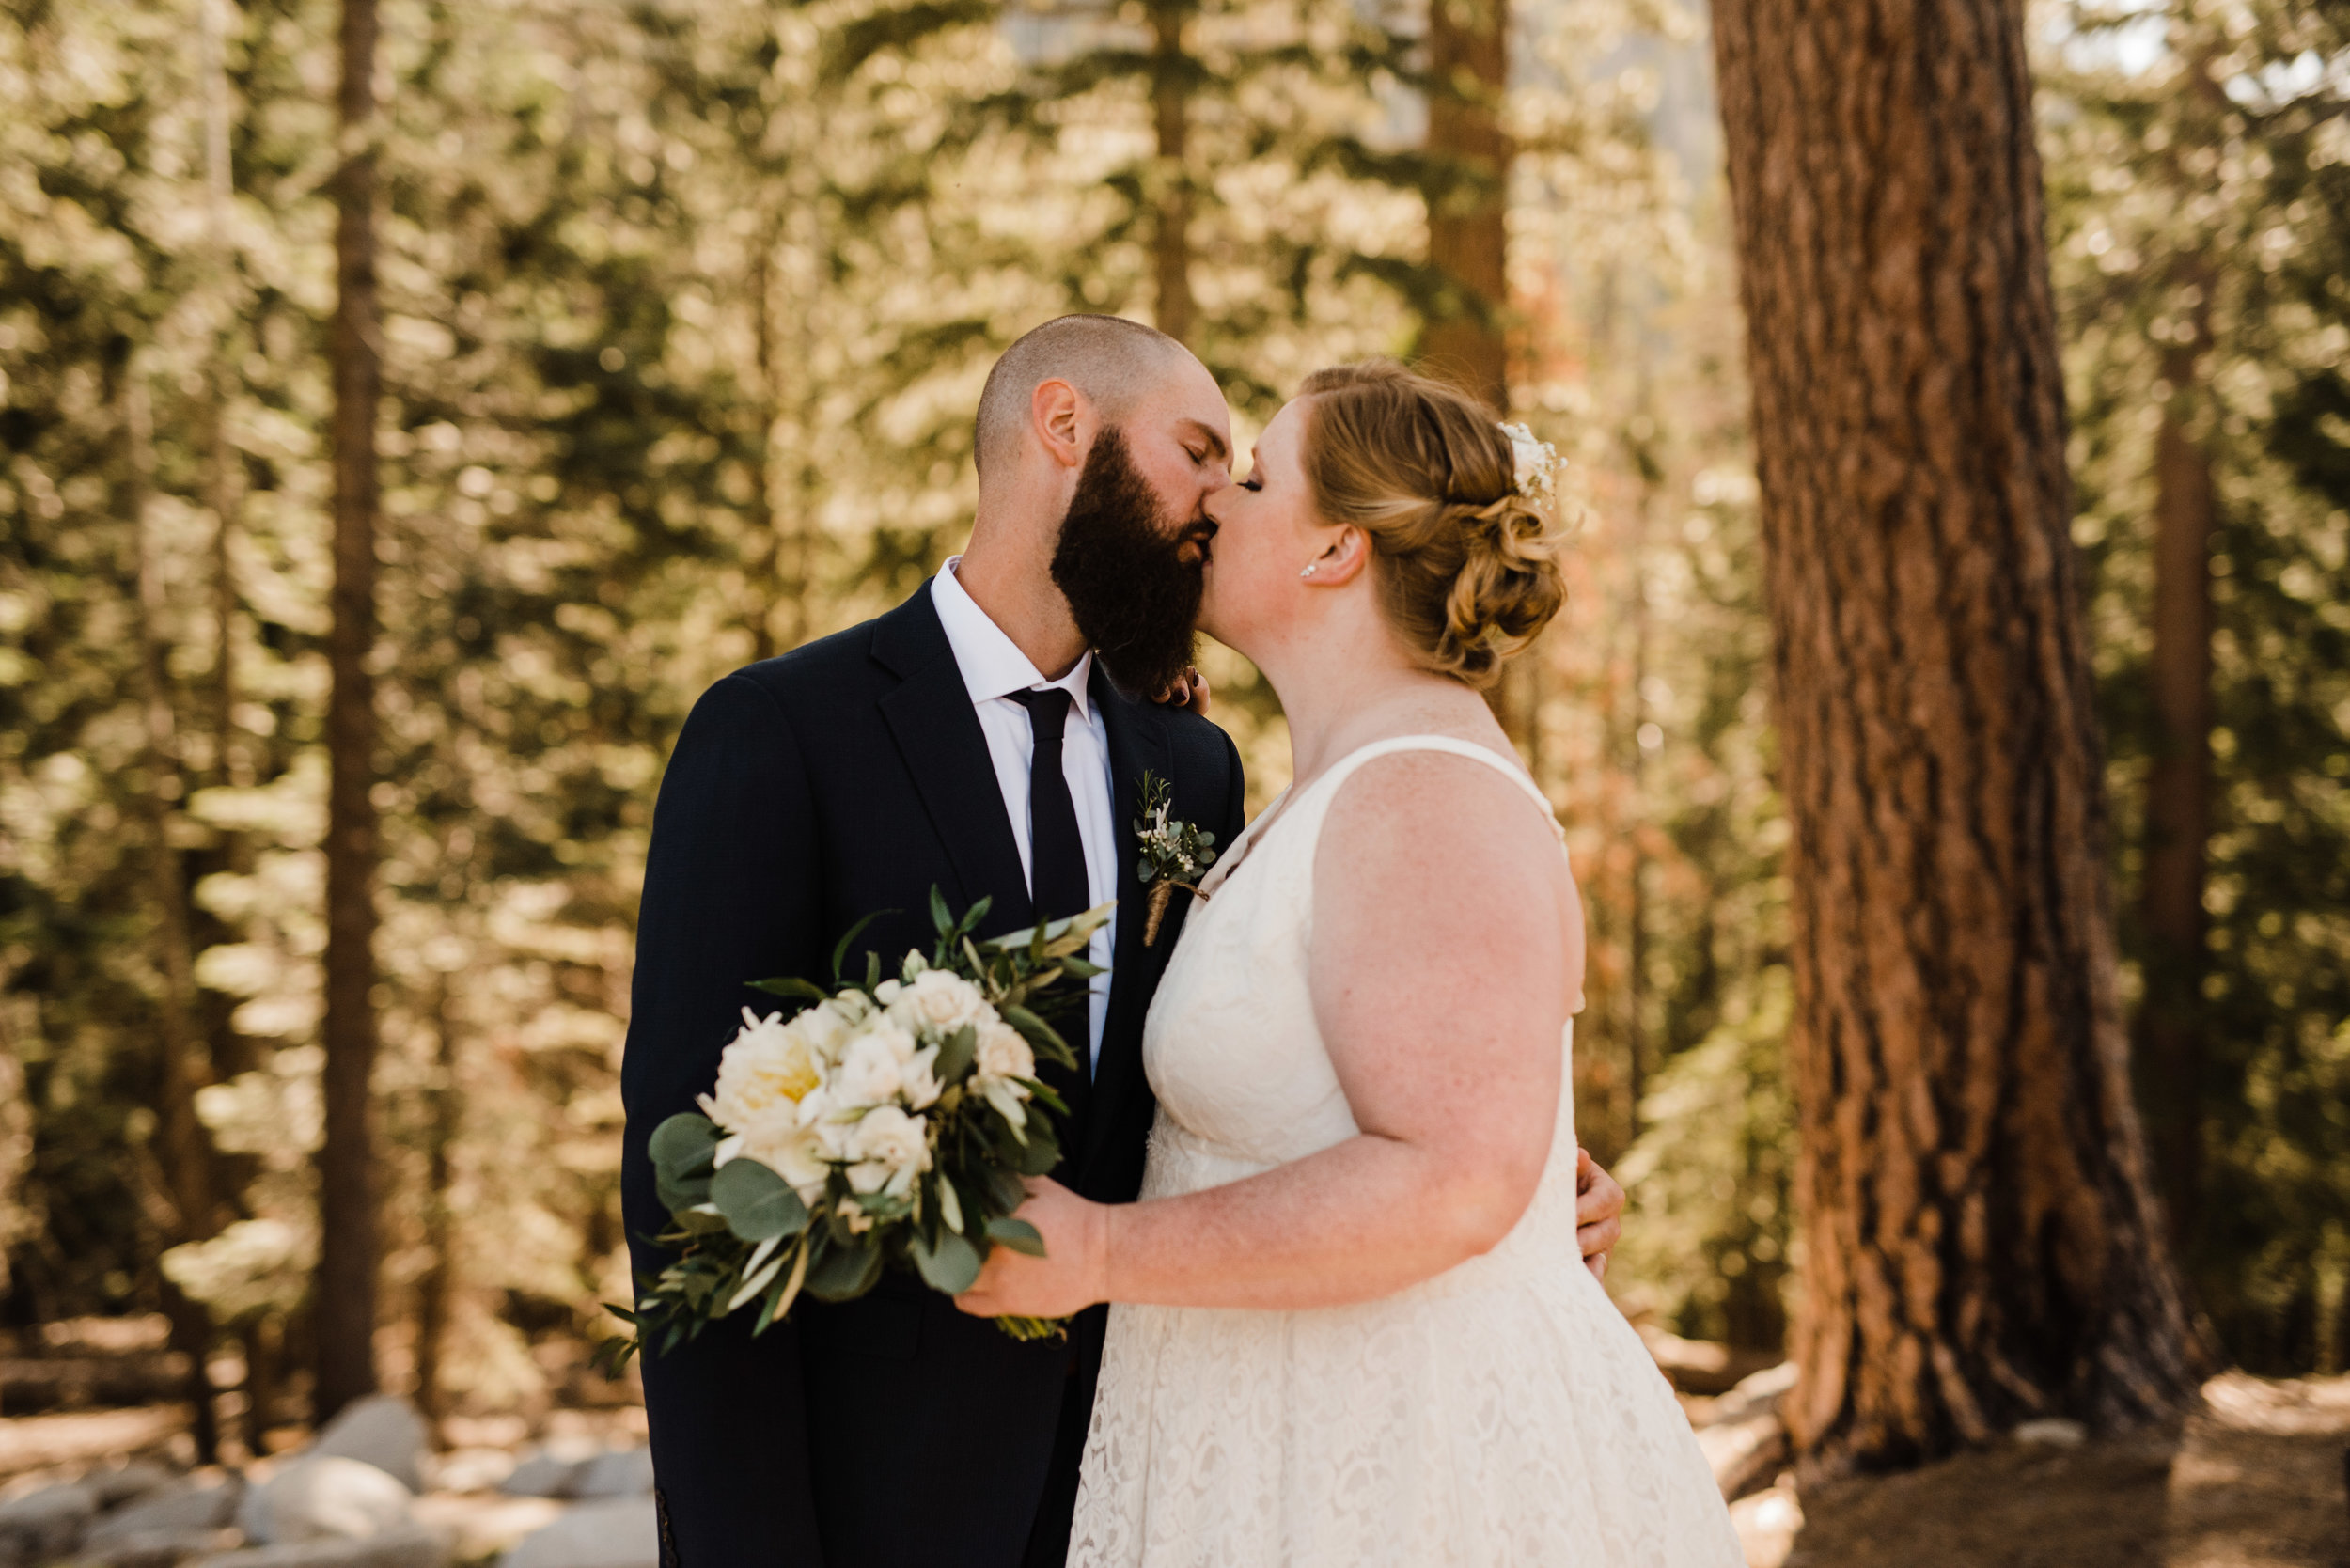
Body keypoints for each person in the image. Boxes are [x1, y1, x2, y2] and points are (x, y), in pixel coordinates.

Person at [622, 319, 1628, 1567]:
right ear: (1064, 429)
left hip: (1162, 1475)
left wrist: (1515, 1181)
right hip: (872, 1499)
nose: (1218, 500)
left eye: (1246, 474)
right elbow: (688, 1185)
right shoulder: (782, 733)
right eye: (1203, 453)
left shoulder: (1192, 764)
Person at [956, 362, 1738, 1567]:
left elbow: (1452, 1182)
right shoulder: (1334, 787)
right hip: (1276, 1443)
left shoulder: (1423, 793)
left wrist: (1100, 1254)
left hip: (1398, 1477)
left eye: (1257, 476)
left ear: (1334, 553)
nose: (1213, 501)